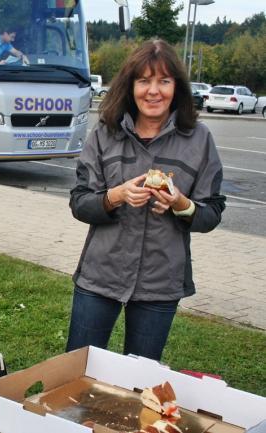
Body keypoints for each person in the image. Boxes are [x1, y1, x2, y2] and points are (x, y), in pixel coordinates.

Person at [66, 39, 226, 361]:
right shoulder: (105, 133)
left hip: (160, 281)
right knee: (77, 368)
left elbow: (212, 213)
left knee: (139, 382)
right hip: (101, 275)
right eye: (144, 80)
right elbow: (79, 202)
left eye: (164, 81)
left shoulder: (199, 139)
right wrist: (115, 196)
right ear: (130, 85)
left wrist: (182, 204)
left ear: (176, 87)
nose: (154, 91)